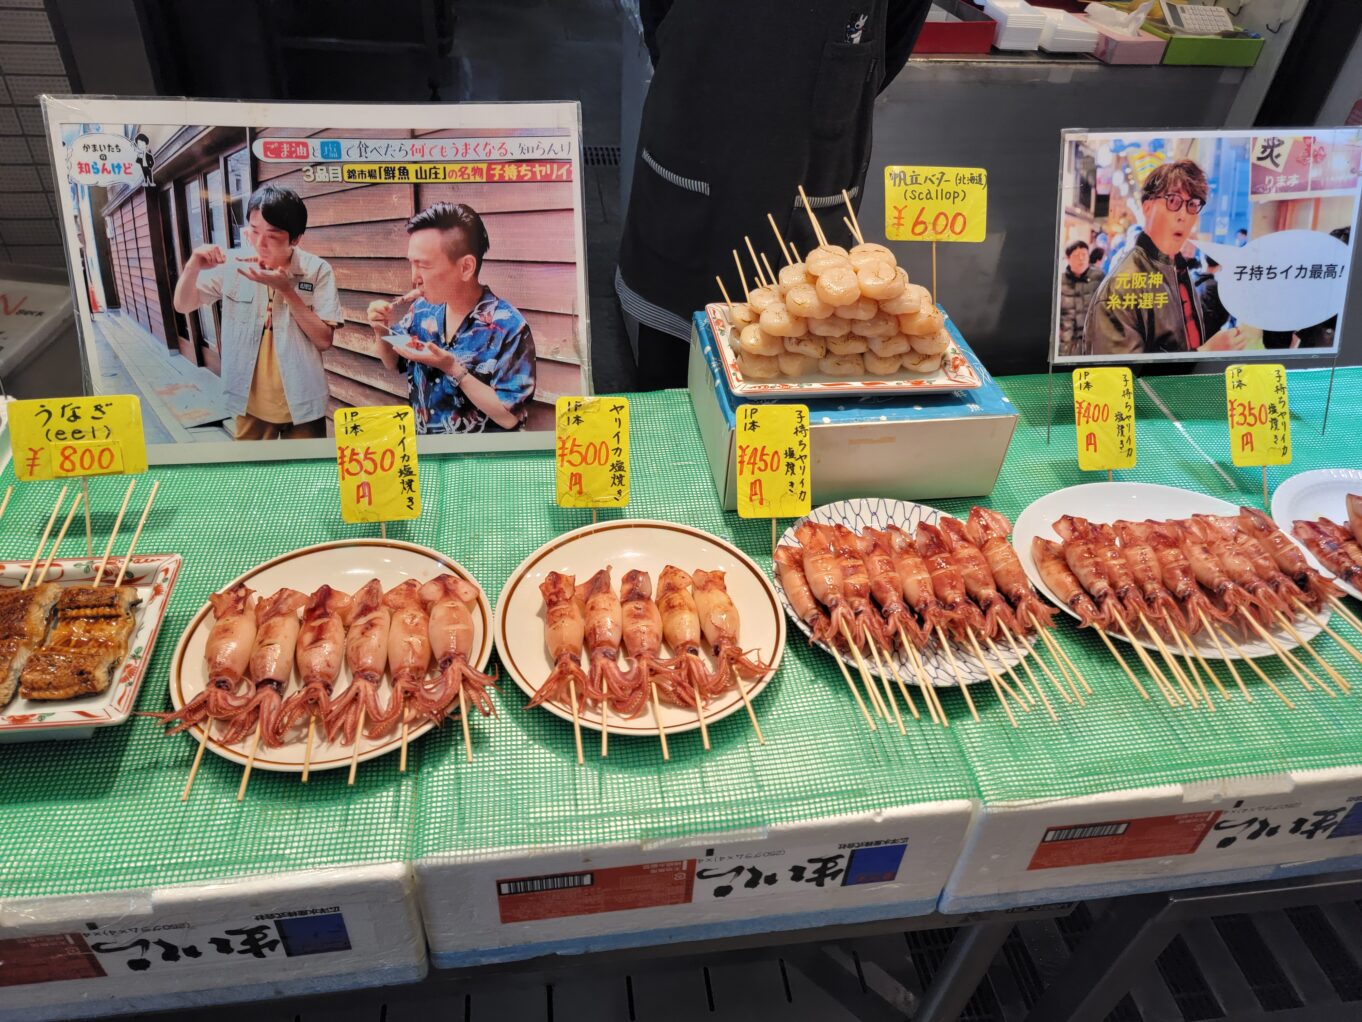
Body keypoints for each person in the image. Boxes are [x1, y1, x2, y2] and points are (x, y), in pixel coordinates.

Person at [616, 0, 933, 388]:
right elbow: (658, 17)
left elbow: (893, 36)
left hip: (810, 164)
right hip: (693, 141)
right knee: (669, 380)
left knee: (798, 359)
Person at [172, 184, 341, 440]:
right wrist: (192, 267)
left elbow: (324, 339)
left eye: (272, 235)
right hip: (249, 403)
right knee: (254, 476)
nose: (260, 243)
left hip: (304, 401)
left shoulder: (317, 270)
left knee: (308, 476)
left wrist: (286, 290)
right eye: (253, 231)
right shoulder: (233, 264)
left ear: (295, 239)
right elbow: (183, 305)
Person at [368, 202, 535, 434]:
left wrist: (453, 369)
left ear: (466, 267)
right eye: (411, 263)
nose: (414, 278)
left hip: (483, 461)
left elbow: (510, 418)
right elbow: (392, 362)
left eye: (423, 265)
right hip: (426, 454)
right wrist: (381, 330)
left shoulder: (509, 327)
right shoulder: (422, 309)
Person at [1084, 160, 1241, 355]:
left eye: (1192, 204)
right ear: (1147, 208)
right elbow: (1119, 377)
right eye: (1173, 201)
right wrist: (1205, 352)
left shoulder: (1178, 270)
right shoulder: (1121, 286)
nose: (1183, 215)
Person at [1058, 240, 1101, 357]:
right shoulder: (1059, 282)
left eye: (1084, 255)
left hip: (1093, 343)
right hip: (1067, 346)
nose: (1081, 259)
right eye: (1076, 256)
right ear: (1067, 258)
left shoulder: (1099, 278)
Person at [1194, 256, 1231, 336]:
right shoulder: (1217, 287)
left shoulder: (1191, 279)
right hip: (1209, 336)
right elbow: (1224, 316)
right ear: (1219, 266)